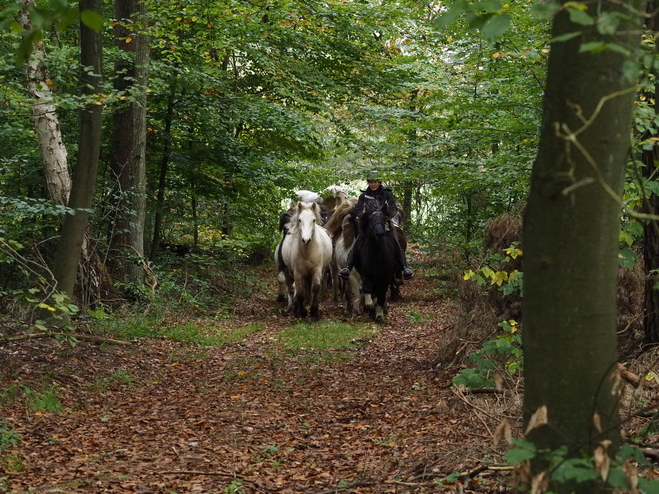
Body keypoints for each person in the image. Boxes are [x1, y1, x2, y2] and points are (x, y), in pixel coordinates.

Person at [338, 172, 413, 281]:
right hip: (369, 224)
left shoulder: (387, 195)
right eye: (371, 182)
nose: (373, 184)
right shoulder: (363, 196)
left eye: (375, 182)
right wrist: (365, 216)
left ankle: (404, 268)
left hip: (384, 222)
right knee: (357, 242)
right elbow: (359, 210)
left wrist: (384, 216)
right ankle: (348, 268)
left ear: (379, 183)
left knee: (396, 242)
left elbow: (393, 208)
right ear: (368, 183)